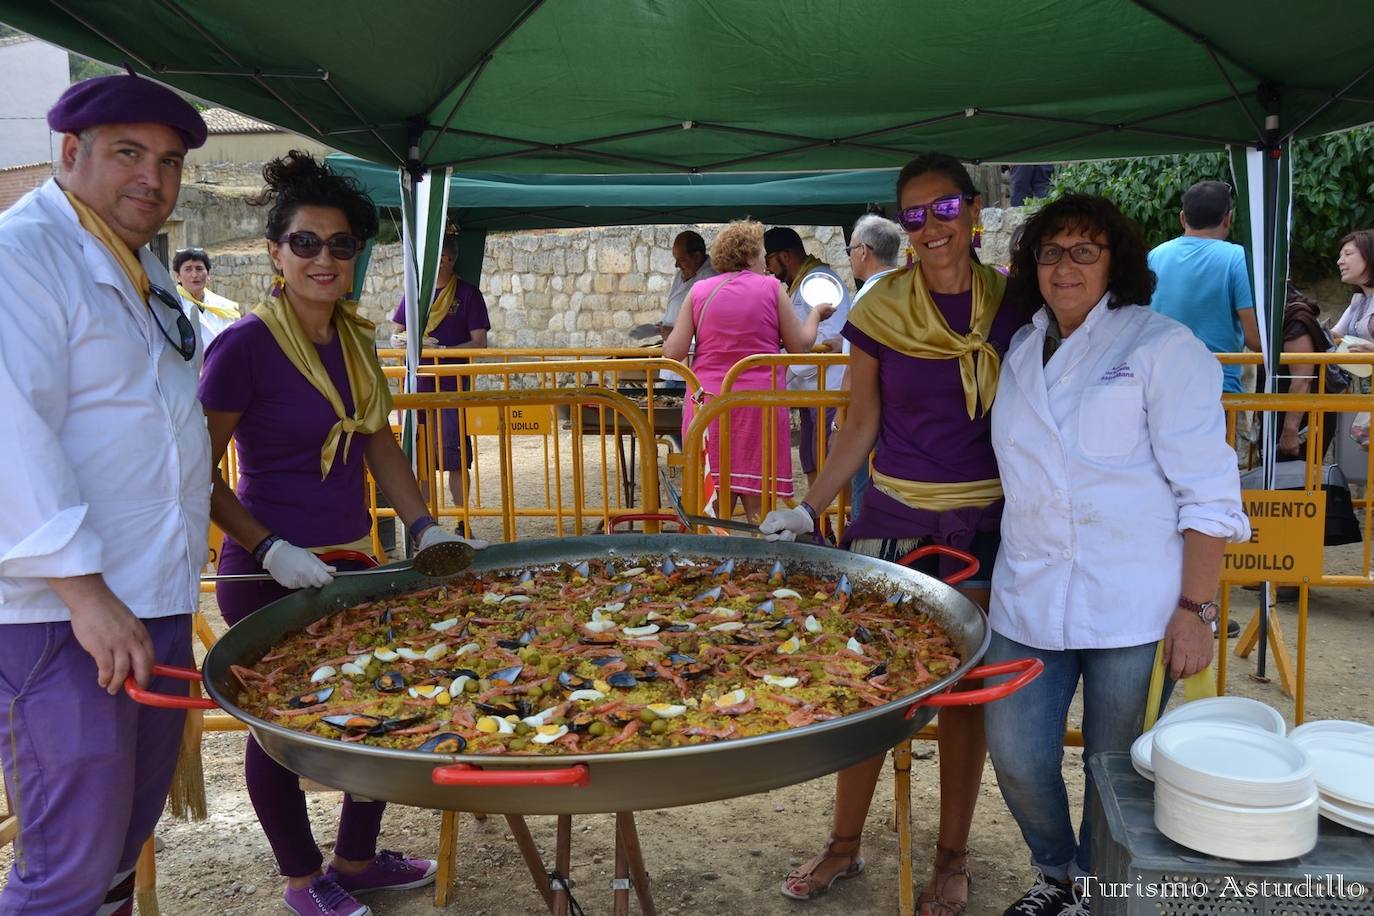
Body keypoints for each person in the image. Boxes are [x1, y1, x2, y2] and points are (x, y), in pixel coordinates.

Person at [199, 152, 482, 916]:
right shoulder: (244, 346)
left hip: (353, 559)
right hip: (269, 570)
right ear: (274, 252)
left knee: (376, 707)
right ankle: (300, 878)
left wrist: (423, 525)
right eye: (306, 243)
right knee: (280, 731)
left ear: (357, 256)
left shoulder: (354, 339)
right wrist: (266, 547)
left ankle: (356, 859)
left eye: (341, 245)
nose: (324, 259)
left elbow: (377, 442)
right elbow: (198, 472)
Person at [762, 154, 1030, 915]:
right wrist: (809, 508)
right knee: (871, 687)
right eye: (913, 216)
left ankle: (952, 855)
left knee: (964, 697)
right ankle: (843, 844)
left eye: (943, 210)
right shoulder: (878, 307)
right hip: (894, 520)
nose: (930, 228)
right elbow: (860, 423)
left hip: (988, 521)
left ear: (973, 211)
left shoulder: (1016, 307)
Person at [984, 194, 1249, 916]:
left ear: (1116, 263)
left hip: (1136, 602)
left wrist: (1195, 609)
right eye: (1050, 251)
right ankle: (1057, 872)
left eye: (1083, 251)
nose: (1064, 267)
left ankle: (1100, 895)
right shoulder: (1019, 347)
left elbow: (1208, 494)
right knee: (1016, 755)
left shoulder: (1162, 348)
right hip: (1028, 591)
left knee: (1115, 773)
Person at [0, 74, 210, 916]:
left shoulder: (143, 265)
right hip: (60, 612)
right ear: (71, 153)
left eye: (167, 162)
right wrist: (86, 596)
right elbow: (11, 434)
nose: (151, 179)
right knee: (70, 859)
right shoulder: (23, 257)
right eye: (128, 154)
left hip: (151, 592)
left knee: (124, 837)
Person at [664, 220, 832, 522]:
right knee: (759, 512)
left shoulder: (700, 290)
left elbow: (673, 352)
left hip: (708, 408)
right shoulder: (771, 288)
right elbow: (801, 345)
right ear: (751, 255)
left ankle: (710, 564)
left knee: (712, 510)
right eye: (762, 255)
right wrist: (816, 315)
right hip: (759, 409)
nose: (766, 265)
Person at [392, 233, 491, 524]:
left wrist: (444, 351)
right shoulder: (416, 292)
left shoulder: (468, 294)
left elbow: (479, 343)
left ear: (445, 260)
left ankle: (463, 521)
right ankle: (427, 523)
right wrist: (398, 341)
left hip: (451, 388)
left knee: (455, 458)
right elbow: (396, 330)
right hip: (416, 388)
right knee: (420, 460)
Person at [1147, 180, 1260, 394]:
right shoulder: (1238, 259)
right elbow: (1255, 340)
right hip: (1216, 389)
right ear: (1228, 218)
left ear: (1182, 218)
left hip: (1159, 387)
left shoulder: (1154, 256)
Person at [764, 226, 854, 485]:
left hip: (826, 387)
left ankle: (839, 519)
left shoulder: (819, 281)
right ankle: (819, 525)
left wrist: (791, 359)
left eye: (769, 259)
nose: (768, 267)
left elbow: (831, 340)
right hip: (808, 389)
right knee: (810, 456)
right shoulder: (799, 282)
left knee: (827, 457)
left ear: (785, 255)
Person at [842, 213, 905, 519]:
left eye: (850, 250)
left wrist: (839, 423)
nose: (851, 257)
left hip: (870, 417)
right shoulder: (908, 289)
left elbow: (855, 371)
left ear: (863, 251)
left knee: (863, 492)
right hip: (895, 417)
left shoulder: (869, 297)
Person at [174, 246, 240, 344]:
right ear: (177, 276)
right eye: (188, 269)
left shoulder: (225, 307)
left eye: (199, 269)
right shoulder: (172, 307)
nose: (194, 275)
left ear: (208, 274)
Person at [660, 229, 717, 336]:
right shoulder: (681, 274)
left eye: (682, 259)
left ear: (697, 257)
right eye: (675, 259)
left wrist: (674, 332)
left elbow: (706, 326)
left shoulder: (711, 280)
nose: (676, 265)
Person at [1332, 228, 1374, 347]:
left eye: (1348, 254)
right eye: (1340, 256)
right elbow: (1334, 335)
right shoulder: (1359, 301)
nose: (1339, 262)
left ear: (1370, 255)